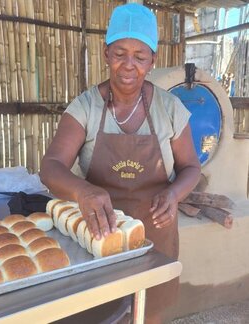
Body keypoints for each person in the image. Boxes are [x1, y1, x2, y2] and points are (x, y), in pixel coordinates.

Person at [40, 3, 201, 323]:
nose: (129, 65)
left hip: (156, 234)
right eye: (119, 53)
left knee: (149, 312)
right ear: (105, 54)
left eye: (140, 56)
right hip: (101, 232)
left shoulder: (170, 109)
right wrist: (82, 191)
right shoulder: (85, 107)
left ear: (153, 60)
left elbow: (191, 168)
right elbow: (51, 166)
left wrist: (174, 195)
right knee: (103, 311)